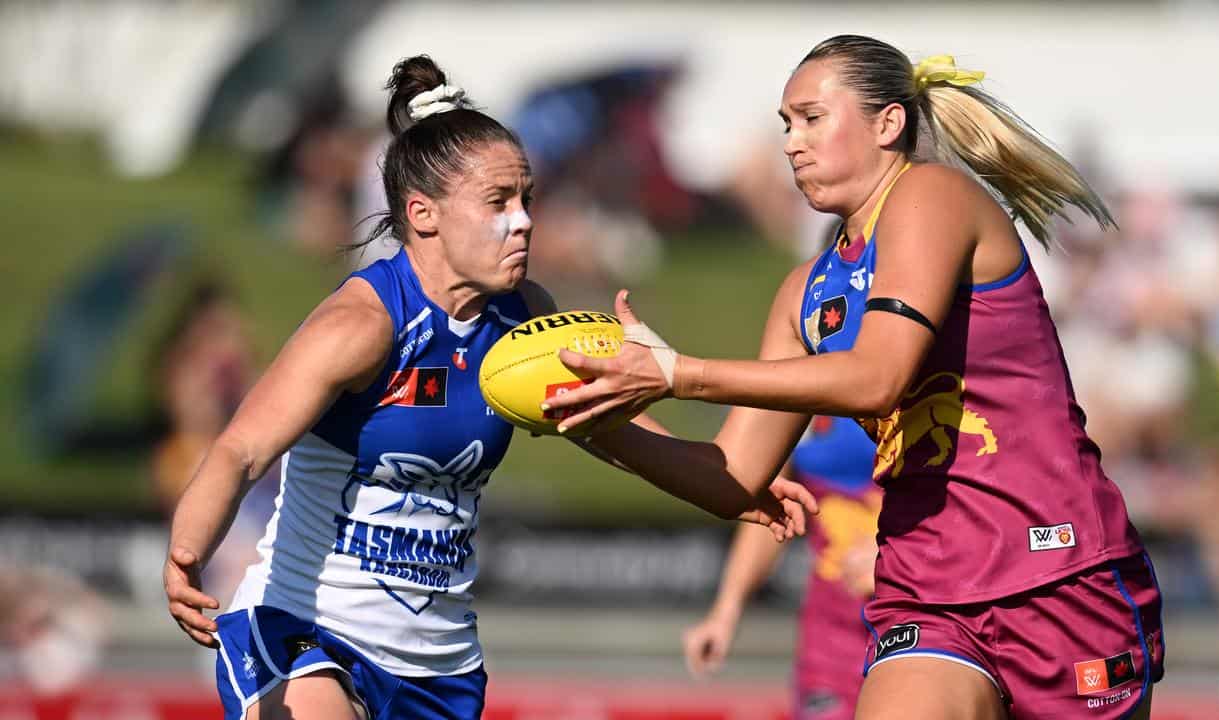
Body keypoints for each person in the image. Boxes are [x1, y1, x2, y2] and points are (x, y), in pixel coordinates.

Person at [162, 55, 815, 720]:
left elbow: (625, 442)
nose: (525, 220)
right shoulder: (362, 324)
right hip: (307, 630)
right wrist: (187, 552)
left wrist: (735, 486)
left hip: (440, 668)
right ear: (423, 214)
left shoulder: (525, 319)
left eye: (527, 198)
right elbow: (241, 448)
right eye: (498, 202)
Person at [544, 35, 1165, 720]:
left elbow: (877, 379)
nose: (790, 142)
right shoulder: (802, 292)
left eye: (812, 117)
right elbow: (731, 477)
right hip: (926, 592)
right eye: (785, 124)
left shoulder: (934, 196)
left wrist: (677, 374)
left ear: (887, 124)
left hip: (1055, 575)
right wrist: (597, 419)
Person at [683, 414, 879, 720]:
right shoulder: (798, 383)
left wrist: (897, 553)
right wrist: (726, 610)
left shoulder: (935, 379)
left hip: (920, 625)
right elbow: (770, 511)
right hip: (830, 638)